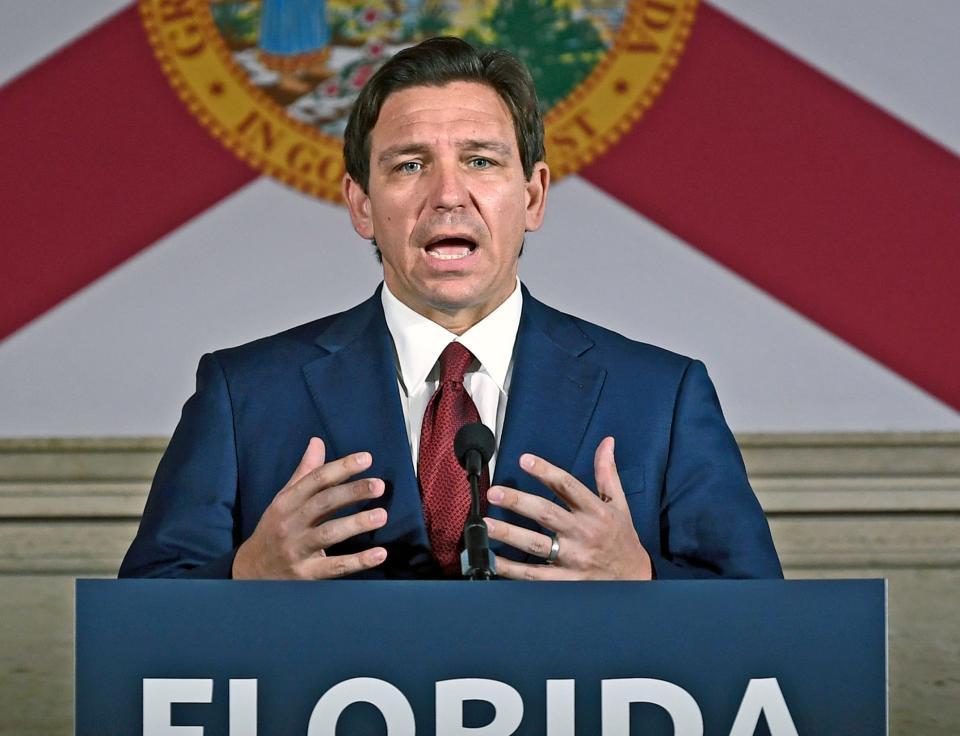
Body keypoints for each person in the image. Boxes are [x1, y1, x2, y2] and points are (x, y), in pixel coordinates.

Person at [119, 37, 782, 581]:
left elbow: (770, 625)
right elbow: (138, 620)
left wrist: (641, 579)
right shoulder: (244, 395)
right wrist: (246, 575)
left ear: (532, 196)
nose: (447, 194)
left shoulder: (662, 395)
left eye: (481, 160)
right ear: (360, 204)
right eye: (409, 165)